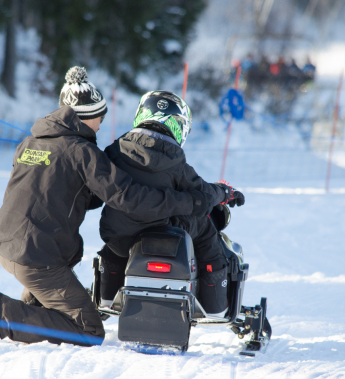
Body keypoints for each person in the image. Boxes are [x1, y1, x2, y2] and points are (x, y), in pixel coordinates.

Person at [0, 68, 229, 347]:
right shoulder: (82, 152)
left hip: (10, 243)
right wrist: (193, 201)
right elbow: (130, 197)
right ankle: (0, 312)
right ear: (86, 116)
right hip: (37, 257)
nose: (102, 124)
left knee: (57, 289)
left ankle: (31, 310)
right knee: (88, 330)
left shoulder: (31, 143)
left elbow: (56, 192)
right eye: (100, 117)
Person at [98, 91, 245, 318]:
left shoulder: (115, 150)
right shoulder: (174, 157)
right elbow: (202, 194)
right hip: (160, 234)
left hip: (118, 237)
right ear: (178, 124)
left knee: (118, 229)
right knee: (205, 227)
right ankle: (215, 305)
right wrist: (225, 192)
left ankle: (107, 296)